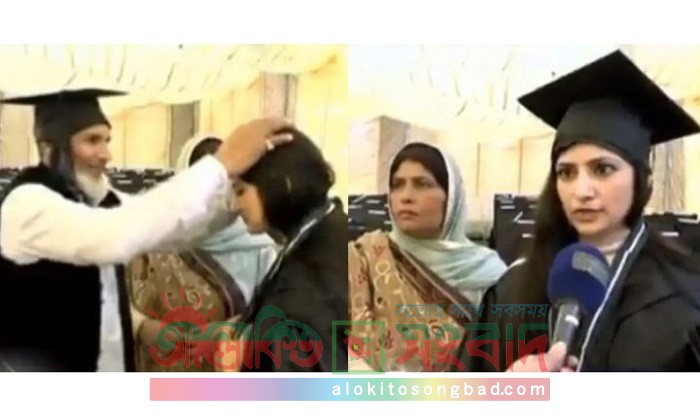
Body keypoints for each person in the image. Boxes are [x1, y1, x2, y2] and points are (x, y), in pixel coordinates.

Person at [0, 88, 292, 372]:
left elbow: (175, 229)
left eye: (107, 140)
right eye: (92, 141)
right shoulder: (26, 204)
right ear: (49, 148)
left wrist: (236, 199)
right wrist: (220, 165)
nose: (105, 154)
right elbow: (115, 237)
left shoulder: (99, 200)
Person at [461, 50, 700, 372]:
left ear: (642, 179)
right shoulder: (513, 289)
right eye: (566, 172)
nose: (581, 191)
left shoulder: (685, 295)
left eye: (602, 169)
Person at [348, 142, 507, 372]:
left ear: (451, 197)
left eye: (422, 184)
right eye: (397, 185)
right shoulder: (365, 258)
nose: (406, 197)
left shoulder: (491, 273)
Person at [127, 134, 277, 372]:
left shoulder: (261, 248)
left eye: (225, 183)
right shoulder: (156, 238)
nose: (217, 195)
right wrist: (143, 327)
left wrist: (224, 333)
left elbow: (276, 319)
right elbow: (110, 303)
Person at [224, 128, 348, 373]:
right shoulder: (329, 230)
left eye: (240, 191)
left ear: (281, 182)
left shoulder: (302, 282)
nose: (234, 206)